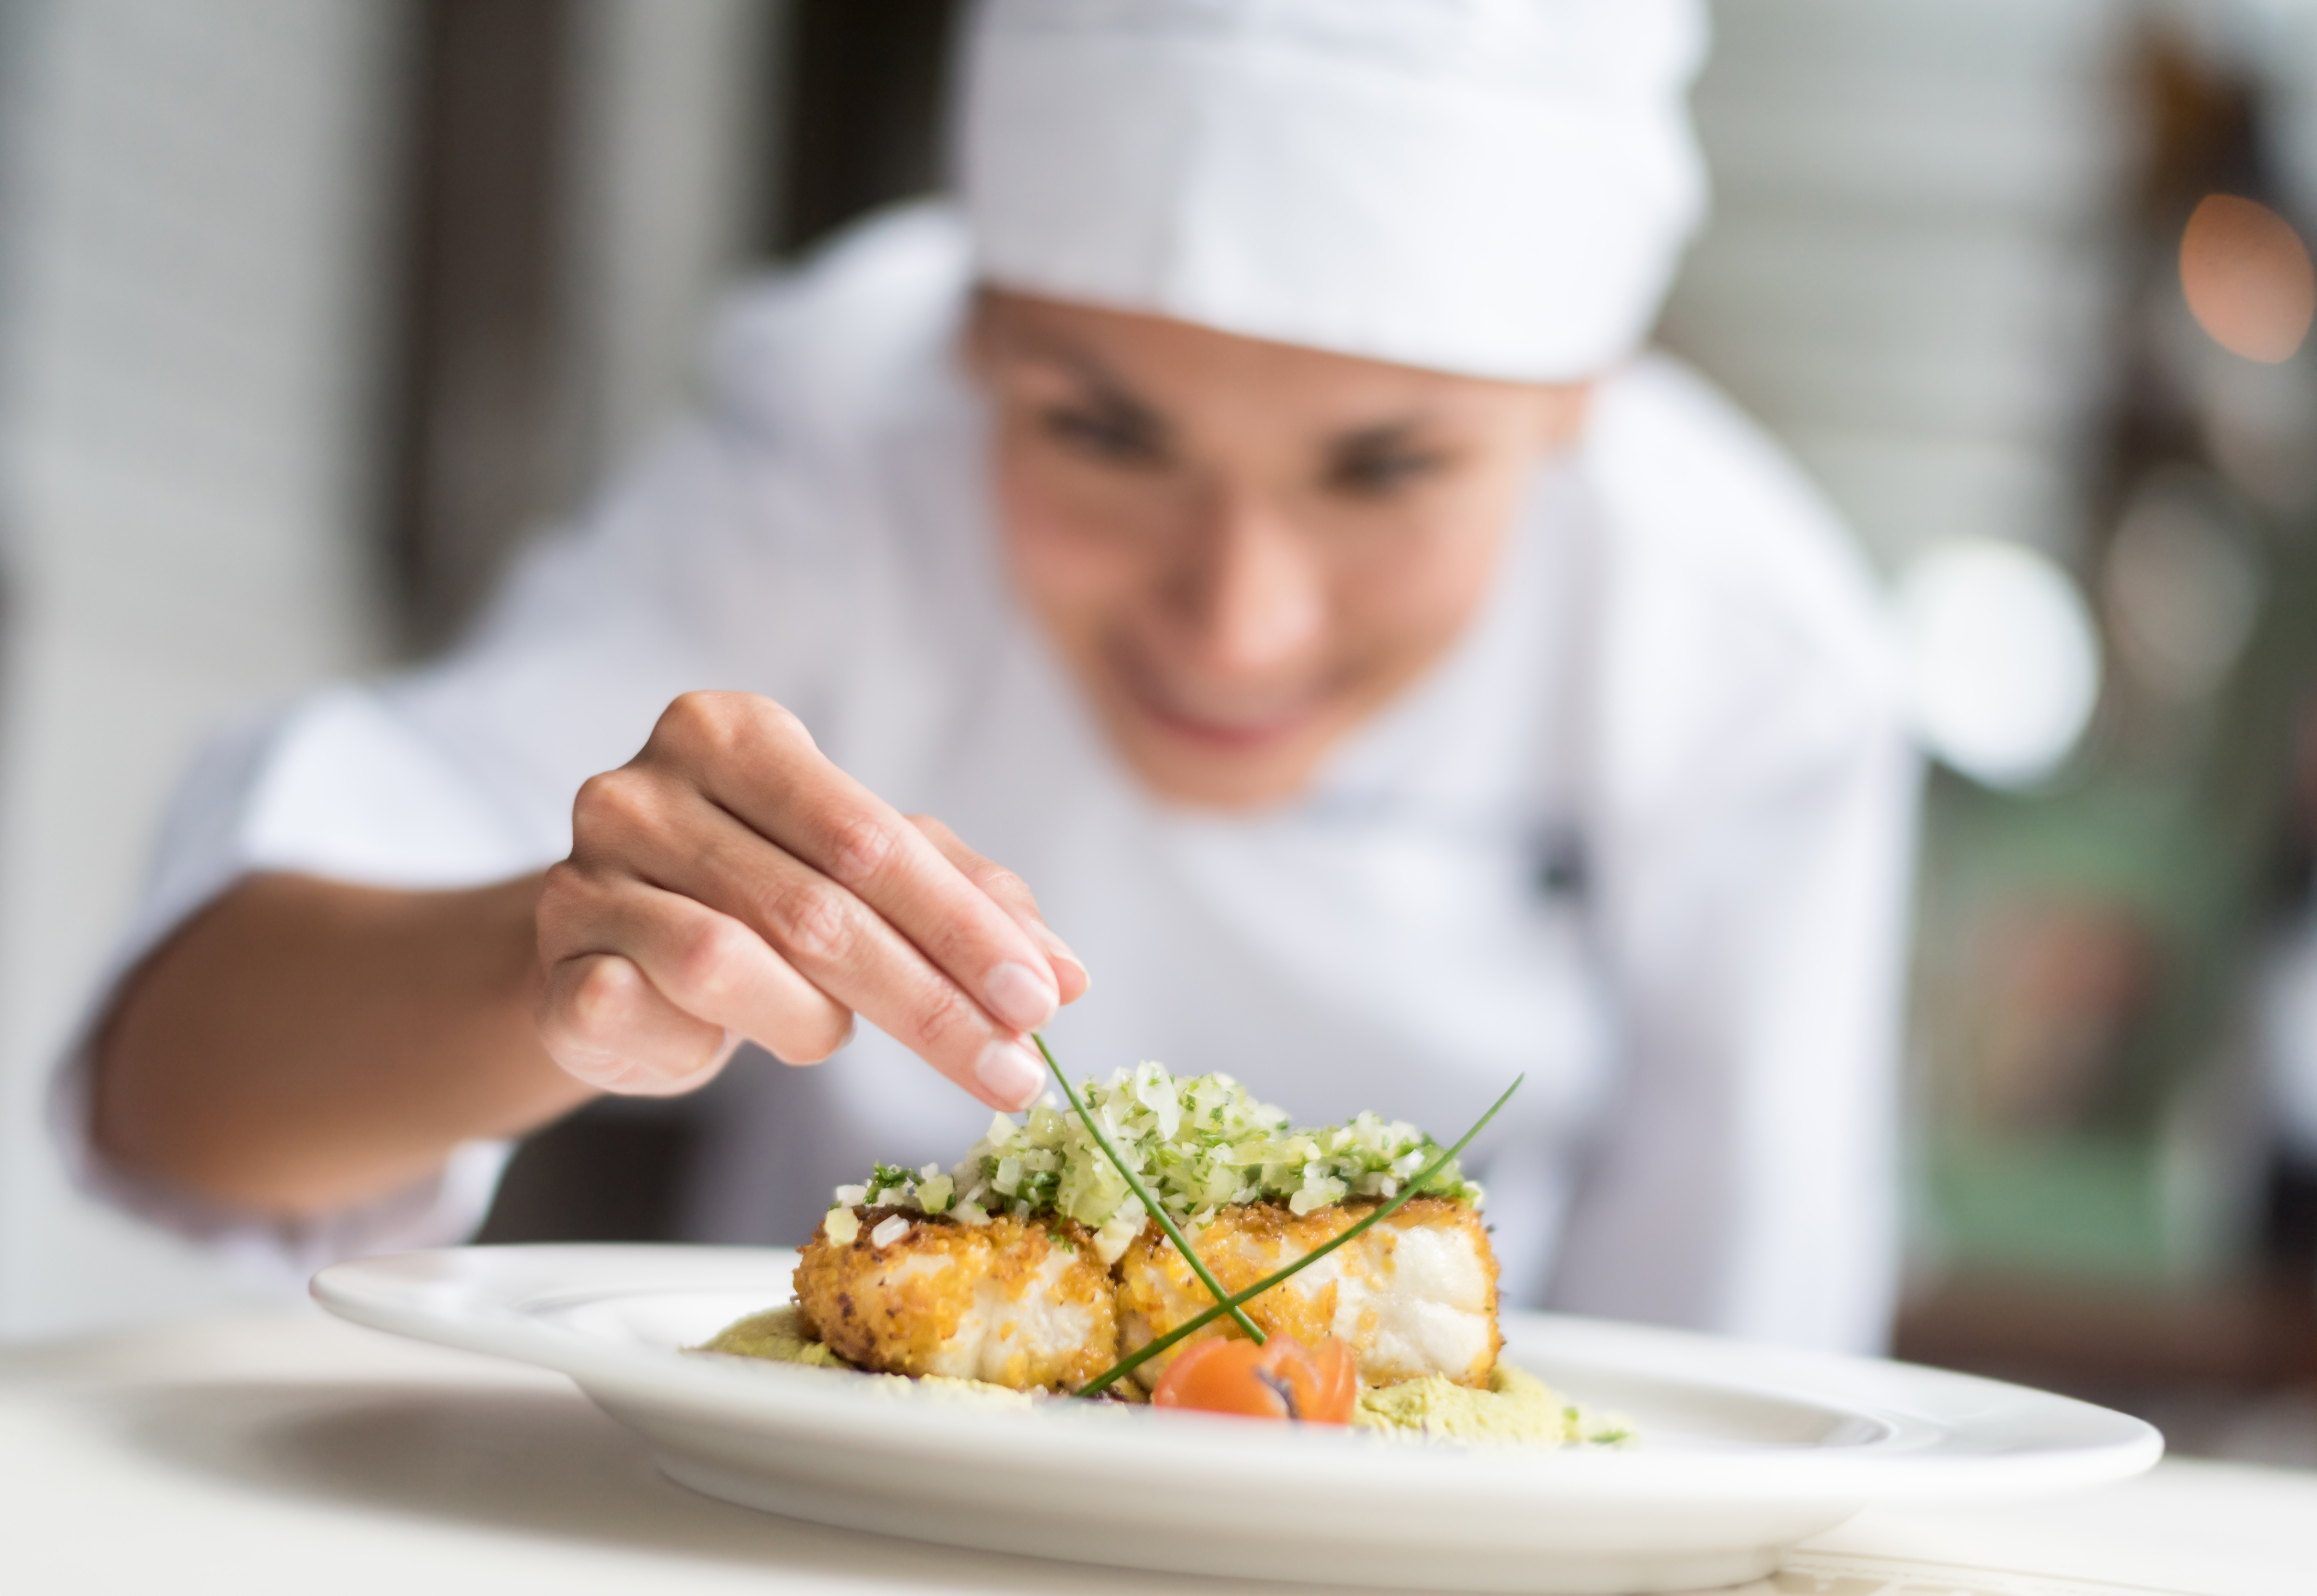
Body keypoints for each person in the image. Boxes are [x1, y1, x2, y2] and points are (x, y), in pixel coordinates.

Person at [60, 0, 1919, 1351]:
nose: (1237, 622)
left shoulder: (1744, 650)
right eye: (1101, 433)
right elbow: (174, 1091)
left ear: (1579, 405)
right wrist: (550, 958)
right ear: (975, 340)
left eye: (1386, 468)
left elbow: (1743, 1368)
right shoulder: (841, 447)